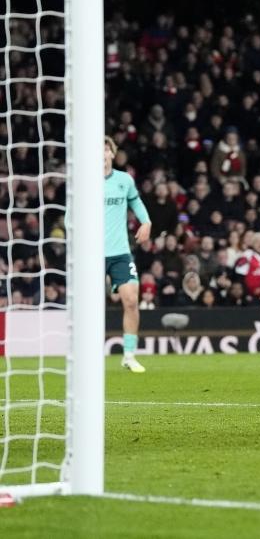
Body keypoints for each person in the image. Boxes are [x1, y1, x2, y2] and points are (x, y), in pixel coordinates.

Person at [104, 136, 153, 372]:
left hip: (120, 252)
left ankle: (129, 355)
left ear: (112, 154)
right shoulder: (82, 181)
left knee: (132, 300)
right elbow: (70, 215)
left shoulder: (124, 180)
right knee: (87, 307)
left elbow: (136, 202)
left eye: (106, 150)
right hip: (89, 255)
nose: (102, 154)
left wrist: (146, 222)